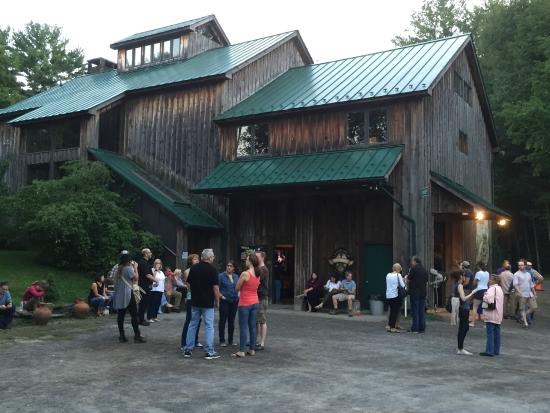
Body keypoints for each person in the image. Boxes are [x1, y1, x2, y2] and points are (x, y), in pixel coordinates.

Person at [182, 249, 221, 360]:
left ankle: (188, 350)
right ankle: (209, 351)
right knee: (209, 326)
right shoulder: (212, 270)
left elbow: (188, 283)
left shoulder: (194, 268)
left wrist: (194, 292)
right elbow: (215, 287)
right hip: (208, 302)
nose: (213, 258)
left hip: (195, 301)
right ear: (209, 258)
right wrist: (217, 300)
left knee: (192, 324)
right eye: (212, 257)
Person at [232, 253, 261, 358]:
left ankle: (241, 351)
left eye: (247, 260)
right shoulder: (258, 273)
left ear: (250, 262)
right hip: (255, 301)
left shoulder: (245, 273)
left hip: (245, 302)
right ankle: (252, 349)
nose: (246, 261)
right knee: (252, 326)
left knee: (243, 327)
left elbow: (237, 287)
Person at [112, 253, 145, 343]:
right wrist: (135, 268)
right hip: (128, 295)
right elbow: (136, 278)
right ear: (128, 261)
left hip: (120, 295)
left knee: (121, 316)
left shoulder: (117, 269)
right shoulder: (128, 269)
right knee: (134, 315)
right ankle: (137, 336)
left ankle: (122, 335)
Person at [180, 254, 203, 351]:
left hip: (199, 297)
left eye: (198, 259)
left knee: (199, 320)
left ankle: (195, 340)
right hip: (191, 297)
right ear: (190, 261)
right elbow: (188, 285)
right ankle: (184, 342)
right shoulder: (187, 271)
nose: (197, 260)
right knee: (189, 320)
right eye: (195, 259)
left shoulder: (200, 270)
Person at [450, 271, 476, 355]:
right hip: (463, 308)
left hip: (461, 308)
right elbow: (463, 298)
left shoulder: (455, 285)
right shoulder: (460, 285)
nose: (465, 277)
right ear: (461, 277)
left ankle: (460, 347)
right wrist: (472, 293)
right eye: (464, 276)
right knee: (463, 328)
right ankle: (460, 348)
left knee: (463, 327)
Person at [480, 274, 504, 357]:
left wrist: (484, 295)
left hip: (491, 314)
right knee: (497, 333)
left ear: (494, 281)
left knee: (490, 333)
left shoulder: (492, 288)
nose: (489, 280)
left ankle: (489, 350)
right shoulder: (500, 289)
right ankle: (496, 350)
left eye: (490, 279)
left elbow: (489, 299)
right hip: (498, 314)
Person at [218, 261, 239, 346]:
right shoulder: (221, 276)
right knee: (223, 321)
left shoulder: (236, 276)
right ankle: (222, 340)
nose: (229, 267)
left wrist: (239, 296)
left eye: (231, 266)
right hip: (224, 301)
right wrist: (221, 296)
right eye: (227, 265)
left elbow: (239, 287)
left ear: (233, 268)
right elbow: (216, 288)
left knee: (232, 321)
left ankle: (231, 340)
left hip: (234, 301)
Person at [407, 256, 428, 333]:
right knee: (421, 310)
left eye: (412, 261)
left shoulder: (414, 268)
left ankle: (415, 328)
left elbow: (408, 279)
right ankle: (422, 328)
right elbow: (426, 280)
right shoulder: (424, 270)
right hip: (423, 292)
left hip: (415, 292)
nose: (411, 263)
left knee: (415, 310)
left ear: (415, 262)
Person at [513, 260, 537, 328]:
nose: (520, 266)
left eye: (522, 265)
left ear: (525, 265)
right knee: (522, 309)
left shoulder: (528, 274)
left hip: (529, 294)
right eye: (519, 265)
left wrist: (534, 293)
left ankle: (522, 316)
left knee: (534, 307)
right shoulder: (516, 274)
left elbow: (531, 284)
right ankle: (525, 323)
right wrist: (519, 292)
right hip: (521, 294)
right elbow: (515, 284)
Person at [255, 251, 269, 351]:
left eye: (257, 256)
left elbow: (257, 281)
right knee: (258, 321)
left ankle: (262, 342)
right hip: (257, 297)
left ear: (262, 257)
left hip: (262, 298)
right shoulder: (259, 268)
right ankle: (258, 341)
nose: (255, 258)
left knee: (262, 320)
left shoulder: (263, 269)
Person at [137, 248, 155, 326]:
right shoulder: (143, 262)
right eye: (150, 252)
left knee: (144, 303)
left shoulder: (146, 262)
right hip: (143, 286)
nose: (151, 254)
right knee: (143, 303)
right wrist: (156, 281)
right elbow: (147, 275)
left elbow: (150, 274)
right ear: (146, 254)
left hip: (146, 286)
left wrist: (153, 279)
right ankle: (141, 320)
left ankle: (141, 319)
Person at [385, 264, 405, 333]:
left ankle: (389, 326)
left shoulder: (388, 275)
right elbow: (403, 285)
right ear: (399, 269)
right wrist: (403, 280)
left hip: (388, 295)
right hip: (395, 295)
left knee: (391, 312)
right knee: (394, 312)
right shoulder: (398, 275)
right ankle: (393, 328)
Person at [471, 262, 489, 328]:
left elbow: (474, 283)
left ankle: (472, 322)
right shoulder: (487, 273)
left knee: (475, 307)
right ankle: (485, 324)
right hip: (486, 290)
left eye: (477, 266)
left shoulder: (478, 273)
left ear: (479, 266)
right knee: (485, 307)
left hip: (479, 290)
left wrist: (473, 283)